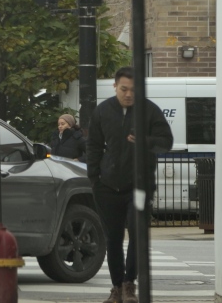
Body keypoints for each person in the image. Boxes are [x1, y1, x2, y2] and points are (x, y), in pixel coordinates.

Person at [87, 66, 173, 303]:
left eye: (133, 90)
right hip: (107, 187)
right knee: (113, 239)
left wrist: (145, 141)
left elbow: (166, 142)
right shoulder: (103, 111)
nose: (128, 94)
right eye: (124, 89)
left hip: (139, 187)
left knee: (137, 235)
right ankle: (116, 287)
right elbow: (93, 145)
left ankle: (129, 284)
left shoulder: (149, 111)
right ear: (115, 86)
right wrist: (94, 178)